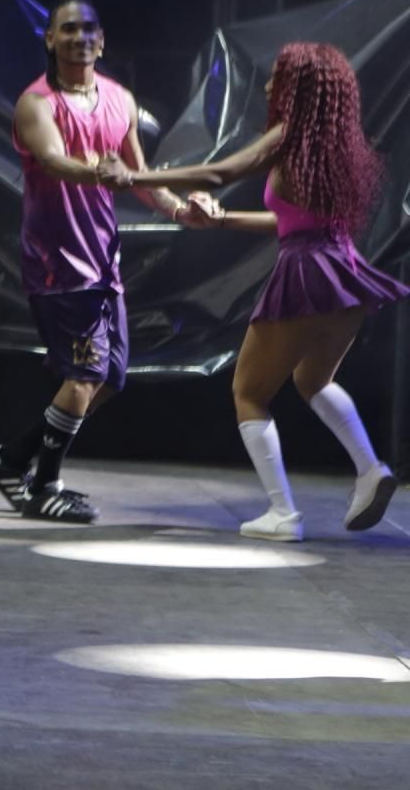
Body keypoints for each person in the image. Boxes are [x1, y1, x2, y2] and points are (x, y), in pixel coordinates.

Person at [105, 41, 406, 540]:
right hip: (345, 276)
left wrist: (132, 175)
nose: (267, 87)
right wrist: (223, 219)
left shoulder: (287, 136)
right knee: (313, 381)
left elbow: (218, 172)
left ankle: (282, 514)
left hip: (307, 273)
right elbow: (291, 222)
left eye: (277, 78)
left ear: (299, 89)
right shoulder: (334, 146)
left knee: (248, 392)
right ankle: (371, 469)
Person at [0, 0, 201, 524]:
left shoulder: (120, 99)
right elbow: (55, 161)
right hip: (59, 263)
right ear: (50, 39)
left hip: (104, 262)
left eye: (89, 29)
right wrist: (103, 171)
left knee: (109, 378)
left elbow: (139, 175)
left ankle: (10, 460)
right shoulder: (37, 103)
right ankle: (44, 486)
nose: (80, 37)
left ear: (102, 41)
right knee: (84, 374)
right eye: (69, 28)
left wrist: (177, 208)